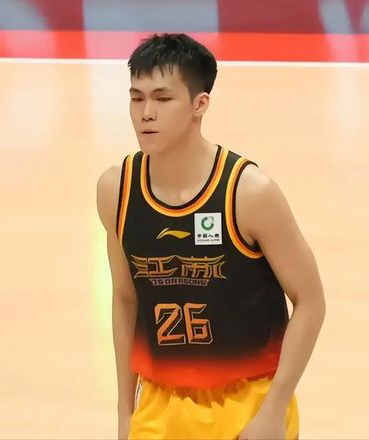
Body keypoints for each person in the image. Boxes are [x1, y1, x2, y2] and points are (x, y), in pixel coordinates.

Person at [96, 33, 326, 440]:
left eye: (163, 99)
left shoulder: (249, 193)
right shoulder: (117, 190)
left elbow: (310, 301)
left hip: (248, 402)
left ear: (199, 104)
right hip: (159, 404)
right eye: (136, 98)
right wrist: (123, 412)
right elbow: (125, 299)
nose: (146, 113)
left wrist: (274, 408)